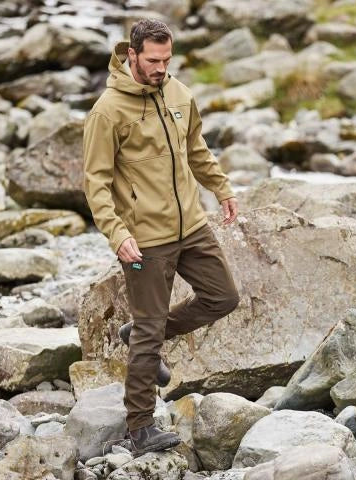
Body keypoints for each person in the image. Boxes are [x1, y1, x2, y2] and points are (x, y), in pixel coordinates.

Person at [82, 18, 240, 457]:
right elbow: (95, 183)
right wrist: (117, 234)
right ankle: (140, 427)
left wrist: (222, 188)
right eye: (153, 60)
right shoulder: (107, 112)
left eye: (167, 59)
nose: (161, 68)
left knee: (223, 297)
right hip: (145, 240)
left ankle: (141, 335)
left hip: (191, 225)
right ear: (131, 54)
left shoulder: (179, 93)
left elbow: (196, 150)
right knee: (150, 332)